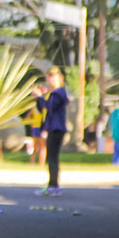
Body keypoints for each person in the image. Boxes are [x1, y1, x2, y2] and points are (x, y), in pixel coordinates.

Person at [33, 67, 69, 196]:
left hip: (57, 128)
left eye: (53, 77)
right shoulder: (53, 93)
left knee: (53, 158)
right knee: (51, 158)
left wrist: (40, 97)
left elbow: (50, 107)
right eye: (48, 77)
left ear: (59, 78)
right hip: (53, 128)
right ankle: (52, 185)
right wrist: (39, 98)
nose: (50, 80)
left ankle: (54, 186)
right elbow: (44, 108)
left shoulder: (58, 93)